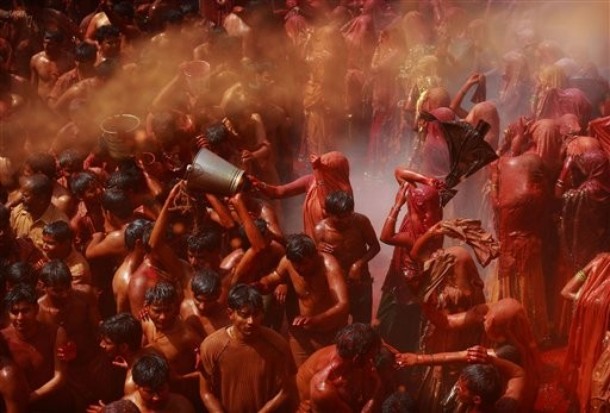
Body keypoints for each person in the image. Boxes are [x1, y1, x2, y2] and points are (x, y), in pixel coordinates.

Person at [199, 284, 298, 412]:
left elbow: (287, 390)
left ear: (262, 314)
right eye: (244, 315)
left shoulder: (278, 345)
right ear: (230, 314)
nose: (251, 321)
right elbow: (206, 393)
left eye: (256, 315)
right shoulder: (211, 347)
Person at [256, 233, 349, 366]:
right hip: (300, 335)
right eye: (296, 265)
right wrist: (262, 283)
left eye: (304, 264)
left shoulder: (329, 266)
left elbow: (343, 304)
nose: (299, 269)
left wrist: (315, 319)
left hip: (328, 334)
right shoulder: (288, 261)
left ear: (315, 255)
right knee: (300, 376)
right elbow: (275, 276)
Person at [376, 169, 442, 353]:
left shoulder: (418, 231)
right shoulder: (433, 211)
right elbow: (399, 172)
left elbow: (385, 236)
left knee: (397, 327)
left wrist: (397, 205)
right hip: (406, 280)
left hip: (407, 284)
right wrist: (427, 179)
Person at [491, 153, 551, 343]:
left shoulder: (515, 196)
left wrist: (494, 182)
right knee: (530, 288)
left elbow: (497, 206)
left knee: (514, 286)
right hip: (530, 245)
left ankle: (510, 329)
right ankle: (531, 329)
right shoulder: (538, 193)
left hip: (510, 246)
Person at [314, 190, 380, 323]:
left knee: (362, 324)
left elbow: (375, 246)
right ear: (328, 213)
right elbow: (315, 262)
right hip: (337, 285)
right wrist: (317, 250)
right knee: (337, 323)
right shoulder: (321, 230)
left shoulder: (361, 222)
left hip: (361, 282)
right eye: (340, 217)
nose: (345, 220)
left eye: (348, 215)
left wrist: (358, 264)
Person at [251, 151, 353, 237]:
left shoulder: (345, 192)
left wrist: (318, 173)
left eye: (325, 169)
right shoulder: (310, 181)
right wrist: (260, 184)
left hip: (333, 246)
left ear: (337, 171)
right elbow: (279, 192)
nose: (322, 171)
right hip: (312, 244)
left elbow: (325, 208)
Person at [1, 285, 71, 411]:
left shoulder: (56, 333)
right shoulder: (3, 339)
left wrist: (30, 398)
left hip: (53, 403)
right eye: (15, 312)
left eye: (25, 311)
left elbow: (60, 377)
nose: (20, 318)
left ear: (36, 309)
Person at [307, 323, 383, 413]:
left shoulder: (349, 352)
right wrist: (377, 389)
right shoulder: (324, 390)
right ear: (357, 359)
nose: (372, 363)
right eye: (370, 358)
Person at [115, 353, 195, 413]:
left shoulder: (181, 407)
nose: (156, 398)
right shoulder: (126, 409)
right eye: (149, 392)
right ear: (137, 386)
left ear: (168, 384)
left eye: (161, 390)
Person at [10, 174, 69, 250]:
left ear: (42, 199)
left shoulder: (59, 224)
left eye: (26, 196)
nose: (21, 199)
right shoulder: (19, 210)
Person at [42, 220, 92, 291]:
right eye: (44, 241)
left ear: (66, 244)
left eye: (50, 243)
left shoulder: (77, 270)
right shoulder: (52, 253)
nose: (44, 247)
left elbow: (62, 294)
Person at [180, 269, 230, 338]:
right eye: (198, 300)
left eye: (208, 301)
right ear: (192, 293)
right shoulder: (185, 307)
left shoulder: (227, 317)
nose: (202, 307)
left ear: (218, 295)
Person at [29, 30, 74, 102]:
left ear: (59, 45)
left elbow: (73, 83)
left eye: (50, 44)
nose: (46, 46)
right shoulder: (36, 59)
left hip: (61, 103)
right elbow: (33, 85)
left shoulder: (69, 60)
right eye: (44, 43)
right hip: (42, 104)